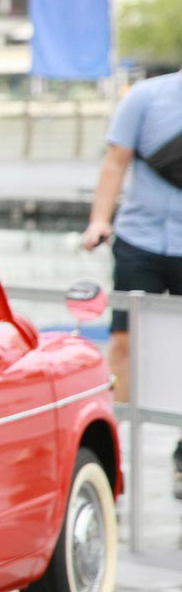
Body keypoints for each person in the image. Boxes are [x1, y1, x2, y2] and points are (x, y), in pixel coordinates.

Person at [83, 67, 182, 499]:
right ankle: (111, 446)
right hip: (140, 240)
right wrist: (99, 221)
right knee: (122, 342)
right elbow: (116, 161)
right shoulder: (146, 97)